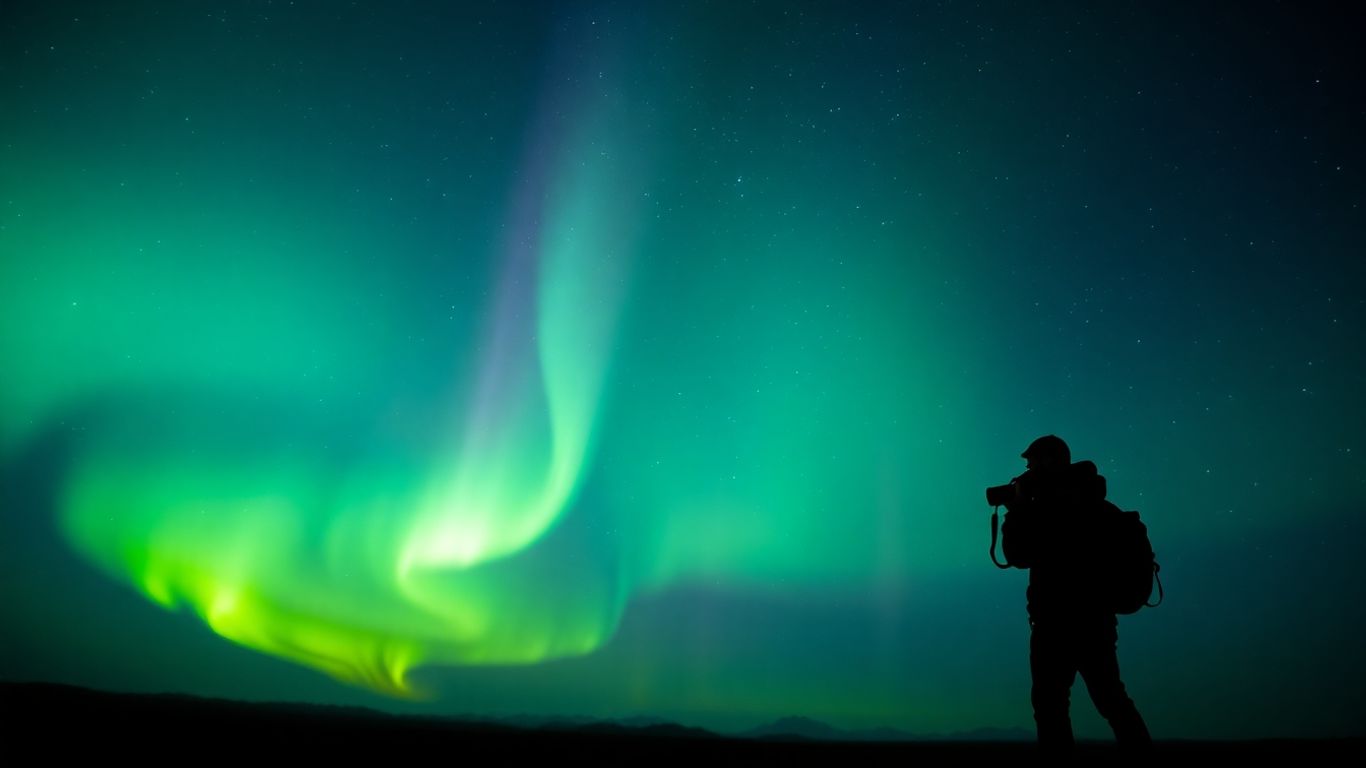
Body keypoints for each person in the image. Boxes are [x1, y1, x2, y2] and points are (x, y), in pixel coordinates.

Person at [999, 435, 1152, 757]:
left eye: (1031, 463)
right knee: (1111, 699)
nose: (1026, 470)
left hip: (1057, 623)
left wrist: (1016, 512)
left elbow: (1018, 555)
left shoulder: (1053, 508)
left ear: (1049, 461)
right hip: (1093, 621)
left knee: (1052, 705)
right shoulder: (1099, 505)